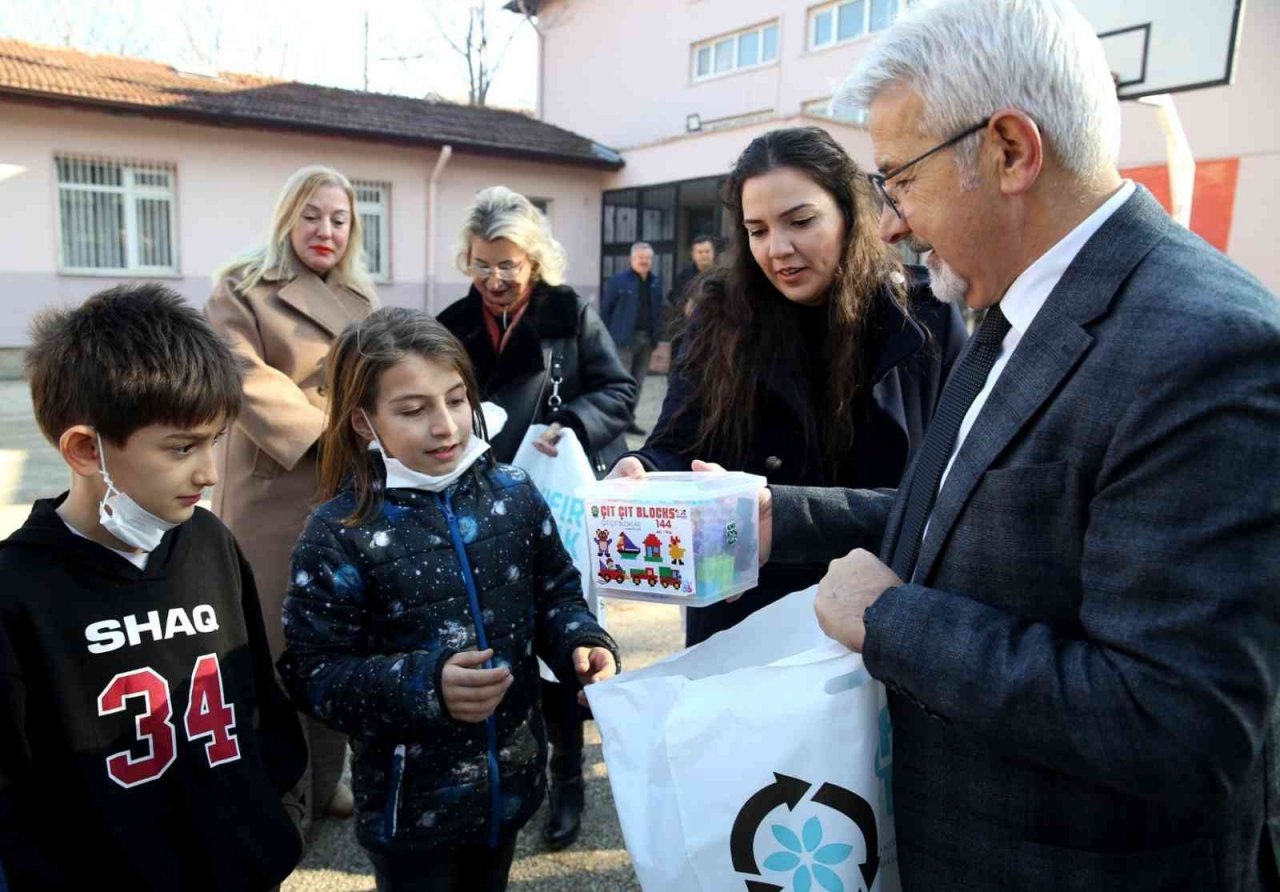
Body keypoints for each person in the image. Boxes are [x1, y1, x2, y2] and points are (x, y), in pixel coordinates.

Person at [765, 1, 1280, 888]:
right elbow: (981, 515)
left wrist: (890, 622)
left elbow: (1173, 723)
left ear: (1009, 149)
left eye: (900, 180)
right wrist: (780, 514)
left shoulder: (1205, 348)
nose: (888, 223)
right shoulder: (1009, 308)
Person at [276, 308, 620, 892]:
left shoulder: (513, 494)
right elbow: (312, 673)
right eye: (412, 410)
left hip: (509, 786)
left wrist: (583, 644)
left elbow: (557, 592)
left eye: (456, 400)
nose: (445, 426)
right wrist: (424, 685)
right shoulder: (340, 532)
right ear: (363, 421)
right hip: (409, 812)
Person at [0, 284, 307, 890]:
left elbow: (259, 701)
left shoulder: (210, 541)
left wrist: (272, 822)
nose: (209, 472)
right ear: (86, 449)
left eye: (215, 440)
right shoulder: (18, 591)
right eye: (182, 447)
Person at [614, 126, 966, 648]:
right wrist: (643, 472)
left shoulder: (922, 317)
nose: (778, 249)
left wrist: (788, 514)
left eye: (800, 221)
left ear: (848, 212)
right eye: (756, 230)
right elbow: (676, 445)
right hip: (743, 620)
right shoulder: (718, 317)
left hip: (873, 619)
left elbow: (952, 495)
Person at [437, 185, 634, 849]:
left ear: (535, 261)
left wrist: (570, 420)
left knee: (562, 641)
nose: (494, 279)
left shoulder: (567, 313)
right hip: (477, 506)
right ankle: (499, 777)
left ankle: (568, 782)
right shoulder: (449, 325)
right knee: (490, 643)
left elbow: (618, 389)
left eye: (508, 264)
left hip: (555, 506)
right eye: (482, 263)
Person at [206, 164, 377, 825]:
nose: (325, 230)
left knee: (331, 642)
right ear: (287, 218)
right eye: (312, 215)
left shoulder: (362, 299)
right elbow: (241, 376)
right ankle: (278, 794)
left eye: (339, 219)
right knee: (273, 646)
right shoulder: (243, 286)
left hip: (344, 487)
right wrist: (332, 435)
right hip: (276, 487)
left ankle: (325, 781)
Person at [601, 241, 663, 432]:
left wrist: (656, 337)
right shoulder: (618, 281)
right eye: (640, 257)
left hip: (646, 340)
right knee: (620, 382)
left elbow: (657, 311)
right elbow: (605, 311)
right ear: (632, 259)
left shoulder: (655, 282)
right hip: (624, 341)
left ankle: (628, 420)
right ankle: (613, 420)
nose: (644, 261)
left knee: (637, 382)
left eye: (647, 258)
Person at [666, 233, 716, 327]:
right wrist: (684, 305)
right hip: (691, 326)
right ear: (693, 255)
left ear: (713, 253)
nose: (704, 255)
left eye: (707, 251)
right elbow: (673, 296)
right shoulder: (684, 276)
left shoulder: (721, 274)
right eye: (700, 252)